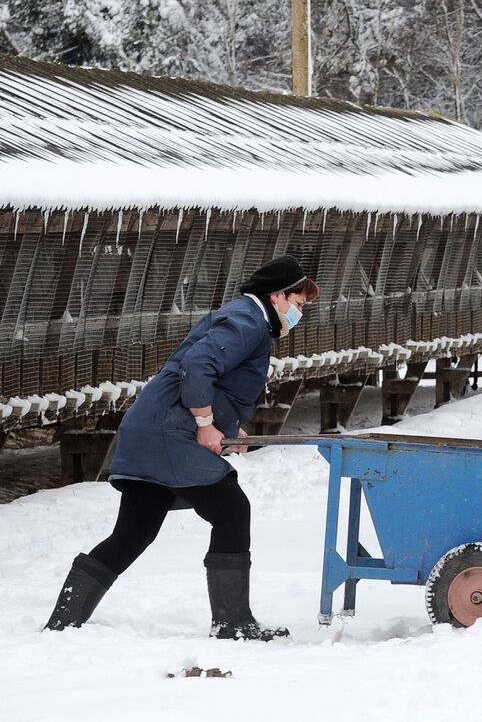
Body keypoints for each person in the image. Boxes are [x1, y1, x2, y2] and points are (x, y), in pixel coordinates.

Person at [44, 255, 320, 640]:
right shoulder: (249, 321)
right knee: (232, 510)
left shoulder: (248, 319)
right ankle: (232, 623)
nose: (299, 313)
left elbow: (218, 379)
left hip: (152, 428)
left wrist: (228, 427)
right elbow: (198, 364)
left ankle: (63, 622)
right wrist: (206, 425)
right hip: (168, 433)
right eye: (299, 304)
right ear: (277, 296)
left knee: (134, 532)